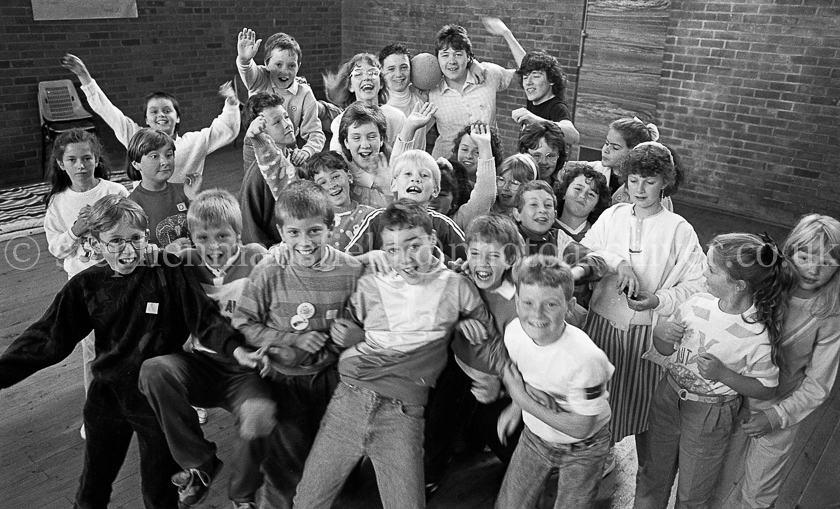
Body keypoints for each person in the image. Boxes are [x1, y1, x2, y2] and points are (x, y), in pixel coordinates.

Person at [0, 194, 248, 509]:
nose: (128, 250)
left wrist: (238, 350)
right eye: (115, 241)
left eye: (136, 239)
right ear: (96, 242)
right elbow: (47, 337)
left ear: (147, 236)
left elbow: (205, 320)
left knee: (160, 493)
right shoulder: (87, 285)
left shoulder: (169, 272)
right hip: (107, 399)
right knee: (92, 488)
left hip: (156, 403)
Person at [292, 199, 496, 509]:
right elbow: (348, 326)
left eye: (413, 245)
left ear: (432, 239)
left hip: (402, 415)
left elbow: (486, 333)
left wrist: (484, 365)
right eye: (392, 250)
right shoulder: (371, 284)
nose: (404, 259)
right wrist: (351, 334)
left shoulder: (457, 287)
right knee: (306, 502)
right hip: (348, 401)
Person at [635, 233, 796, 509]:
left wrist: (725, 375)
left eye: (711, 269)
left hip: (710, 415)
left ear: (738, 285)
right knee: (652, 475)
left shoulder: (758, 333)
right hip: (668, 398)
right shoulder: (696, 303)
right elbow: (663, 349)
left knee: (693, 492)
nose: (703, 273)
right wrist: (660, 334)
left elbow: (767, 386)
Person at [137, 189, 275, 509]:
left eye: (222, 236)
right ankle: (199, 463)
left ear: (238, 235)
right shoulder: (184, 259)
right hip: (202, 363)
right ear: (191, 238)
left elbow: (283, 299)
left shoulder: (256, 257)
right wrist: (164, 252)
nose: (213, 246)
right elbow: (134, 264)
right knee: (154, 370)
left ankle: (243, 495)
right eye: (202, 237)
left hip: (246, 367)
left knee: (258, 415)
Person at [232, 181, 365, 509]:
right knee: (285, 464)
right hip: (283, 378)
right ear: (280, 231)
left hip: (333, 378)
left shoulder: (350, 270)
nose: (304, 242)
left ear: (330, 228)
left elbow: (372, 322)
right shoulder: (268, 271)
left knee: (334, 457)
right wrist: (290, 338)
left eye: (314, 231)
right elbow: (244, 325)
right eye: (293, 233)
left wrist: (358, 335)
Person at [580, 142, 706, 474]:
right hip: (602, 326)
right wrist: (618, 263)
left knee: (644, 407)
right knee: (596, 398)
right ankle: (595, 458)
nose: (639, 188)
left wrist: (658, 300)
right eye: (633, 179)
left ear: (666, 181)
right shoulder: (613, 215)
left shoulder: (679, 229)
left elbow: (697, 284)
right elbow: (585, 251)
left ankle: (649, 475)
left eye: (649, 181)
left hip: (647, 335)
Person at [713, 214, 840, 509]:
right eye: (804, 256)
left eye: (826, 261)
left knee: (759, 493)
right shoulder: (766, 288)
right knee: (715, 475)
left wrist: (776, 417)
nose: (812, 268)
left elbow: (818, 385)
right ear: (790, 251)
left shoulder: (830, 315)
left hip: (780, 410)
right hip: (732, 397)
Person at [495, 255, 614, 509]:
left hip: (585, 448)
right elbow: (526, 374)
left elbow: (581, 428)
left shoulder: (586, 360)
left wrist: (521, 400)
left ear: (569, 306)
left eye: (550, 304)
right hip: (536, 436)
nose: (536, 313)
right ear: (516, 303)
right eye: (528, 302)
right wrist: (516, 408)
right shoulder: (514, 333)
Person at [61, 53, 239, 199]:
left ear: (178, 118)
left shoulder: (194, 142)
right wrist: (84, 76)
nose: (161, 115)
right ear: (146, 119)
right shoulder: (136, 137)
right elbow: (107, 110)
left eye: (167, 110)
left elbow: (225, 130)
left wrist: (231, 103)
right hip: (147, 204)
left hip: (183, 204)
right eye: (154, 112)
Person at [42, 129, 129, 412]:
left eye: (86, 158)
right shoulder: (58, 202)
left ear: (96, 159)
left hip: (118, 280)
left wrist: (105, 225)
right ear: (60, 164)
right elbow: (56, 248)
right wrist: (76, 230)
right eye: (72, 160)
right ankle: (97, 410)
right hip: (82, 287)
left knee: (125, 339)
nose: (80, 165)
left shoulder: (114, 192)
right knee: (91, 347)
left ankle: (132, 399)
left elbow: (133, 232)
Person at [344, 149, 466, 261]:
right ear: (393, 185)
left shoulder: (444, 225)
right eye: (408, 174)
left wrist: (456, 266)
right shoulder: (376, 219)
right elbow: (348, 261)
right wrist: (368, 257)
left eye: (424, 175)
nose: (416, 179)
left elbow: (469, 260)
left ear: (435, 190)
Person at [428, 21, 521, 159]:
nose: (451, 61)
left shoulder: (488, 74)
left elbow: (527, 72)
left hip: (486, 161)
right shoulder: (431, 90)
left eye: (458, 54)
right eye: (445, 55)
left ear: (469, 56)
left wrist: (507, 34)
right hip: (446, 165)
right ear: (437, 59)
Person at [236, 28, 325, 168]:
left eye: (291, 66)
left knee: (289, 183)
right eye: (278, 64)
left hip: (287, 144)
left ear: (298, 66)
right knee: (258, 184)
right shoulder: (259, 78)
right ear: (266, 64)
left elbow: (315, 132)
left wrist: (306, 151)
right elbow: (247, 69)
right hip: (258, 143)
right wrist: (244, 59)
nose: (284, 71)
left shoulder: (305, 93)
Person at [239, 93, 299, 247]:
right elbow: (250, 230)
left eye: (286, 117)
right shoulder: (258, 176)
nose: (287, 124)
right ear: (262, 132)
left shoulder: (298, 162)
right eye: (277, 122)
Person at [325, 53, 410, 151]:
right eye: (358, 74)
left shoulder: (397, 118)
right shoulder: (340, 122)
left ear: (381, 83)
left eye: (372, 73)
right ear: (350, 86)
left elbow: (403, 158)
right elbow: (337, 160)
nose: (366, 78)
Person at [126, 128, 191, 251]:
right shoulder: (132, 206)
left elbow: (206, 230)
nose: (164, 162)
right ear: (136, 164)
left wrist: (194, 198)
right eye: (154, 156)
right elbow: (133, 251)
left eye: (169, 155)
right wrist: (166, 251)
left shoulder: (185, 191)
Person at [297, 151, 377, 251]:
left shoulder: (370, 216)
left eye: (335, 177)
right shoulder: (312, 221)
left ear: (349, 176)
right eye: (323, 182)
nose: (331, 185)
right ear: (315, 190)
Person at [336, 102, 393, 208]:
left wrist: (388, 189)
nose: (365, 145)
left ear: (381, 139)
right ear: (346, 142)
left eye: (371, 137)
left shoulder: (396, 170)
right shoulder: (339, 175)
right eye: (356, 138)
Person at [378, 43, 428, 150]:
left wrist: (472, 63)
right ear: (381, 71)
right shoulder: (377, 105)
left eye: (404, 67)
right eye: (391, 69)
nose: (398, 74)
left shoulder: (421, 100)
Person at [554, 163, 611, 242]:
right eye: (578, 189)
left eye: (591, 194)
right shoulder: (545, 228)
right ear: (564, 192)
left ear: (596, 206)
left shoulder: (599, 238)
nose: (582, 196)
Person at [518, 120, 567, 185]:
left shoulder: (562, 190)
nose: (543, 162)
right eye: (537, 155)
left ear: (559, 156)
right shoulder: (513, 186)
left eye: (550, 156)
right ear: (524, 153)